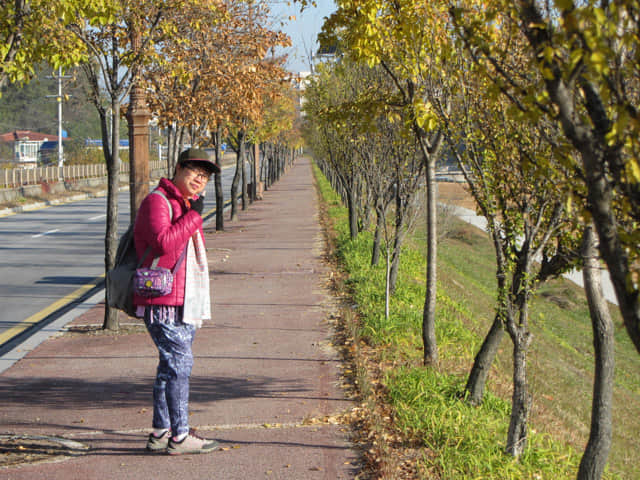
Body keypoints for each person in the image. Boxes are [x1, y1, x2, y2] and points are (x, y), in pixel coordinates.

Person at [133, 147, 220, 455]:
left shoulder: (181, 203)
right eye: (195, 171)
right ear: (179, 168)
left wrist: (191, 213)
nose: (200, 178)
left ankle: (161, 431)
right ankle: (180, 436)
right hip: (162, 300)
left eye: (205, 175)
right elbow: (162, 243)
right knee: (180, 365)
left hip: (182, 298)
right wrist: (195, 216)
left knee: (169, 368)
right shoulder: (157, 201)